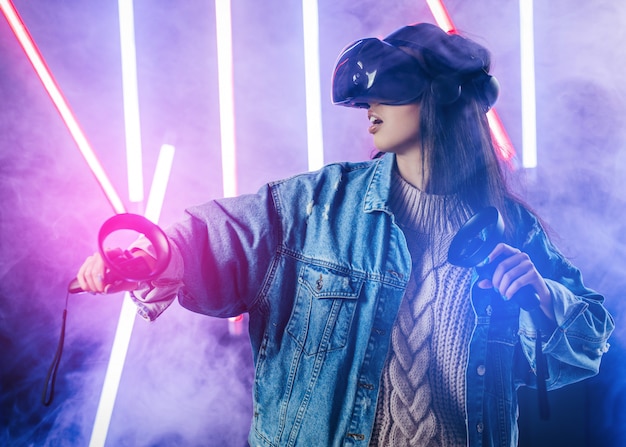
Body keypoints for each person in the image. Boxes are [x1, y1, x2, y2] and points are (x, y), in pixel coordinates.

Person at [76, 23, 614, 447]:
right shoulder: (318, 205)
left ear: (444, 96)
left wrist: (545, 298)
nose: (370, 106)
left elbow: (591, 335)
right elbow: (218, 239)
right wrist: (152, 255)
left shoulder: (511, 228)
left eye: (392, 88)